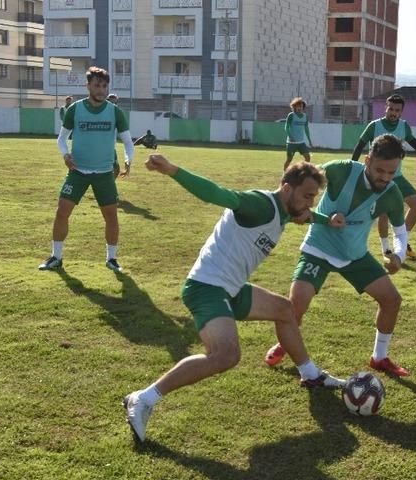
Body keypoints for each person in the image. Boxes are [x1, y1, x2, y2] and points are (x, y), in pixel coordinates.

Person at [124, 156, 346, 442]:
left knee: (285, 310)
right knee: (225, 355)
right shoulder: (260, 204)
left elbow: (303, 215)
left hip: (231, 288)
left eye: (313, 198)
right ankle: (143, 399)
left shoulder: (286, 209)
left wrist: (325, 220)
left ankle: (311, 374)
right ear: (287, 188)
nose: (309, 204)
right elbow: (217, 194)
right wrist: (172, 170)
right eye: (306, 196)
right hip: (206, 287)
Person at [265, 134, 412, 377]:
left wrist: (398, 255)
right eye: (380, 170)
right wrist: (298, 208)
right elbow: (301, 177)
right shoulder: (340, 171)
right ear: (367, 160)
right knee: (295, 307)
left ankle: (379, 357)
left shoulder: (392, 193)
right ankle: (285, 343)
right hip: (318, 248)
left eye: (391, 172)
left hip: (354, 255)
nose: (385, 177)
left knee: (391, 300)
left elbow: (400, 232)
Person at [38, 67, 134, 272]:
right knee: (62, 211)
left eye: (104, 85)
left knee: (111, 217)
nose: (101, 89)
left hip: (104, 174)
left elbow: (127, 141)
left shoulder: (115, 111)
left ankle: (112, 259)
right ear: (88, 86)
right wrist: (65, 155)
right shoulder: (75, 109)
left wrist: (128, 159)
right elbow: (62, 138)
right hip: (77, 171)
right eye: (97, 85)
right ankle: (56, 257)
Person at [351, 94, 416, 261]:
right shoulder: (373, 126)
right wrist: (351, 168)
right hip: (377, 178)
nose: (393, 112)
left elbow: (414, 144)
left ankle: (402, 241)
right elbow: (359, 146)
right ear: (386, 108)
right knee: (383, 212)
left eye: (397, 110)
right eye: (390, 108)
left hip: (396, 177)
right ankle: (386, 249)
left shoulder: (404, 127)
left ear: (401, 112)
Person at [283, 97, 312, 170]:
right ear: (294, 107)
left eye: (301, 106)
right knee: (289, 160)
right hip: (291, 143)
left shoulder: (305, 116)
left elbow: (306, 128)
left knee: (307, 157)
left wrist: (309, 140)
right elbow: (286, 127)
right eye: (298, 106)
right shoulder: (291, 115)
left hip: (301, 142)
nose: (300, 108)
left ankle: (303, 172)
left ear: (303, 107)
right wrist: (291, 137)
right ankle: (285, 174)